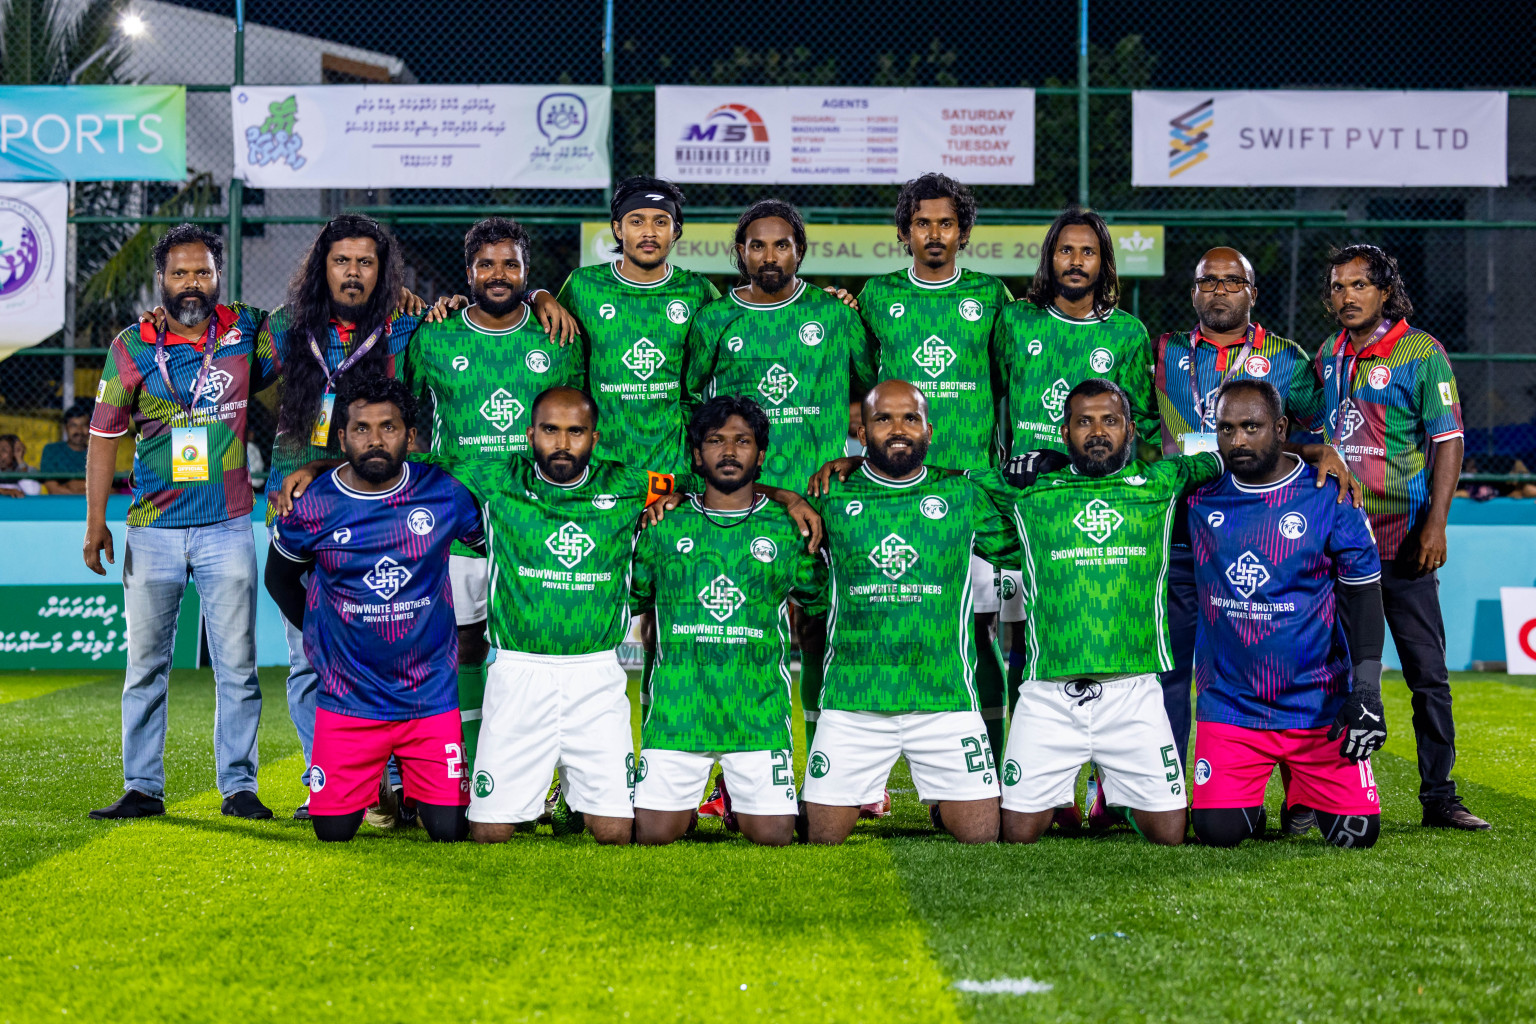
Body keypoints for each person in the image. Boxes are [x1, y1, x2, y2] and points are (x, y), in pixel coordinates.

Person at [83, 223, 275, 821]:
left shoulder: (251, 330)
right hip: (151, 528)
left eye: (203, 272)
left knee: (238, 667)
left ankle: (239, 787)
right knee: (146, 666)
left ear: (220, 277)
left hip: (227, 524)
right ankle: (143, 787)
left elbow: (317, 331)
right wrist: (96, 524)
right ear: (160, 279)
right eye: (179, 273)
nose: (191, 283)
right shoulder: (131, 345)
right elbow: (102, 439)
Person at [1149, 247, 1353, 784]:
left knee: (1283, 664)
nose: (1219, 291)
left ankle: (1304, 794)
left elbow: (1314, 429)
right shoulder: (1164, 351)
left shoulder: (1287, 358)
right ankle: (1164, 790)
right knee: (1168, 670)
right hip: (1178, 532)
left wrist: (1317, 453)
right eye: (1207, 281)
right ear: (1193, 290)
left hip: (1263, 540)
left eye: (1231, 282)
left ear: (1252, 293)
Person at [684, 198, 877, 757]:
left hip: (823, 503)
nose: (770, 255)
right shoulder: (717, 318)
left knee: (821, 632)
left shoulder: (835, 314)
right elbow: (693, 403)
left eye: (782, 244)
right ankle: (720, 770)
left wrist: (853, 457)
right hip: (740, 503)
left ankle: (826, 761)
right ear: (740, 252)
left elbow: (872, 392)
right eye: (757, 244)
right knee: (732, 634)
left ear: (800, 251)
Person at [985, 379, 1215, 846]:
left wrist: (1316, 454)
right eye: (1083, 421)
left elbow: (1231, 453)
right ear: (1064, 432)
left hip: (1133, 692)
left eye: (1110, 420)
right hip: (1048, 694)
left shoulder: (1162, 484)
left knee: (1169, 834)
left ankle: (1114, 798)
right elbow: (945, 487)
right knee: (1016, 833)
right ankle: (1060, 798)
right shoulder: (1033, 494)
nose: (1097, 431)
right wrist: (1009, 473)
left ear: (1130, 430)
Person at [264, 375, 483, 843]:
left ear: (411, 436)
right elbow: (278, 578)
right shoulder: (313, 504)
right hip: (350, 698)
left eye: (389, 427)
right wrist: (319, 636)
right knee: (333, 832)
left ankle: (410, 792)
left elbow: (498, 548)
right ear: (341, 437)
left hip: (429, 697)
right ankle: (379, 786)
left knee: (449, 830)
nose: (376, 440)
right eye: (361, 428)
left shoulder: (442, 494)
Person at [400, 217, 582, 773]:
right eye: (487, 264)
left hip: (535, 520)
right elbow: (408, 426)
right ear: (469, 270)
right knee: (465, 646)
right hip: (458, 520)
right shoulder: (434, 336)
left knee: (542, 652)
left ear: (527, 273)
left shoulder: (557, 336)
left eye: (511, 264)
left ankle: (553, 780)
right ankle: (469, 773)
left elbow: (576, 426)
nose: (498, 274)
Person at [1315, 244, 1488, 831]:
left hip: (1404, 542)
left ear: (1384, 291)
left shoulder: (1421, 352)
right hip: (1339, 543)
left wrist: (1436, 523)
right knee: (1330, 674)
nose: (1347, 297)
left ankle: (1440, 796)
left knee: (1426, 674)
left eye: (1359, 285)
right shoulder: (1328, 354)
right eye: (1338, 287)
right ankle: (1317, 797)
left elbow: (1449, 440)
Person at [802, 380, 1019, 845]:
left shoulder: (962, 494)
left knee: (982, 837)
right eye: (883, 419)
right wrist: (784, 496)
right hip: (853, 704)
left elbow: (1022, 546)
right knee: (822, 840)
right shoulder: (830, 494)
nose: (898, 429)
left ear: (929, 429)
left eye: (910, 418)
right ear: (862, 433)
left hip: (945, 703)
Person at [989, 206, 1158, 782]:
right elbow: (990, 401)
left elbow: (1145, 429)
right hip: (1028, 501)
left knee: (1101, 630)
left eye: (1088, 252)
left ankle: (1112, 782)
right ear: (1050, 258)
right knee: (1022, 633)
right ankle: (1033, 771)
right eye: (1066, 250)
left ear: (1104, 262)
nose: (1076, 261)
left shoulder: (1128, 333)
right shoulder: (1015, 323)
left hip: (1099, 507)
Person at [1188, 379, 1386, 848]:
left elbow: (1363, 595)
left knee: (1357, 837)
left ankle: (1300, 789)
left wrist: (1367, 691)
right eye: (1226, 429)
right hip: (1231, 705)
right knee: (1219, 833)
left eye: (1251, 427)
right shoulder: (1197, 495)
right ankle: (1247, 798)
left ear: (1279, 428)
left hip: (1316, 705)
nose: (1237, 441)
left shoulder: (1328, 495)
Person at [857, 172, 1013, 760]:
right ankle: (871, 770)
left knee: (978, 635)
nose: (934, 234)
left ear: (963, 231)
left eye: (946, 223)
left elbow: (1008, 387)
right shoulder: (876, 297)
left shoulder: (993, 299)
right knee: (890, 625)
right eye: (922, 223)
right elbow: (861, 392)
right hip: (893, 496)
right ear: (904, 231)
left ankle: (997, 762)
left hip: (970, 494)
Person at [629, 395, 827, 846]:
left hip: (756, 716)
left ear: (761, 453)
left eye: (743, 440)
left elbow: (818, 598)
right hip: (680, 715)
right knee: (653, 834)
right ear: (697, 455)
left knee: (775, 836)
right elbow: (634, 594)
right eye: (716, 441)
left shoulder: (785, 527)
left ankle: (739, 799)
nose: (730, 451)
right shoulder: (664, 523)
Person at [555, 177, 719, 475]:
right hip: (602, 462)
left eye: (660, 222)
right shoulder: (583, 286)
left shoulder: (696, 290)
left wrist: (818, 303)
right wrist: (535, 295)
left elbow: (744, 321)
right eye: (636, 221)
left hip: (674, 462)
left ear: (676, 231)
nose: (649, 232)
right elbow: (535, 327)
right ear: (618, 229)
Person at [40, 402, 93, 495]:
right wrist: (85, 490)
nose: (79, 430)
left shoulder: (97, 454)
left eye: (84, 425)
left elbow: (110, 490)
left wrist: (70, 485)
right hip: (61, 504)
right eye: (73, 425)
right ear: (65, 428)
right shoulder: (52, 451)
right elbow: (53, 489)